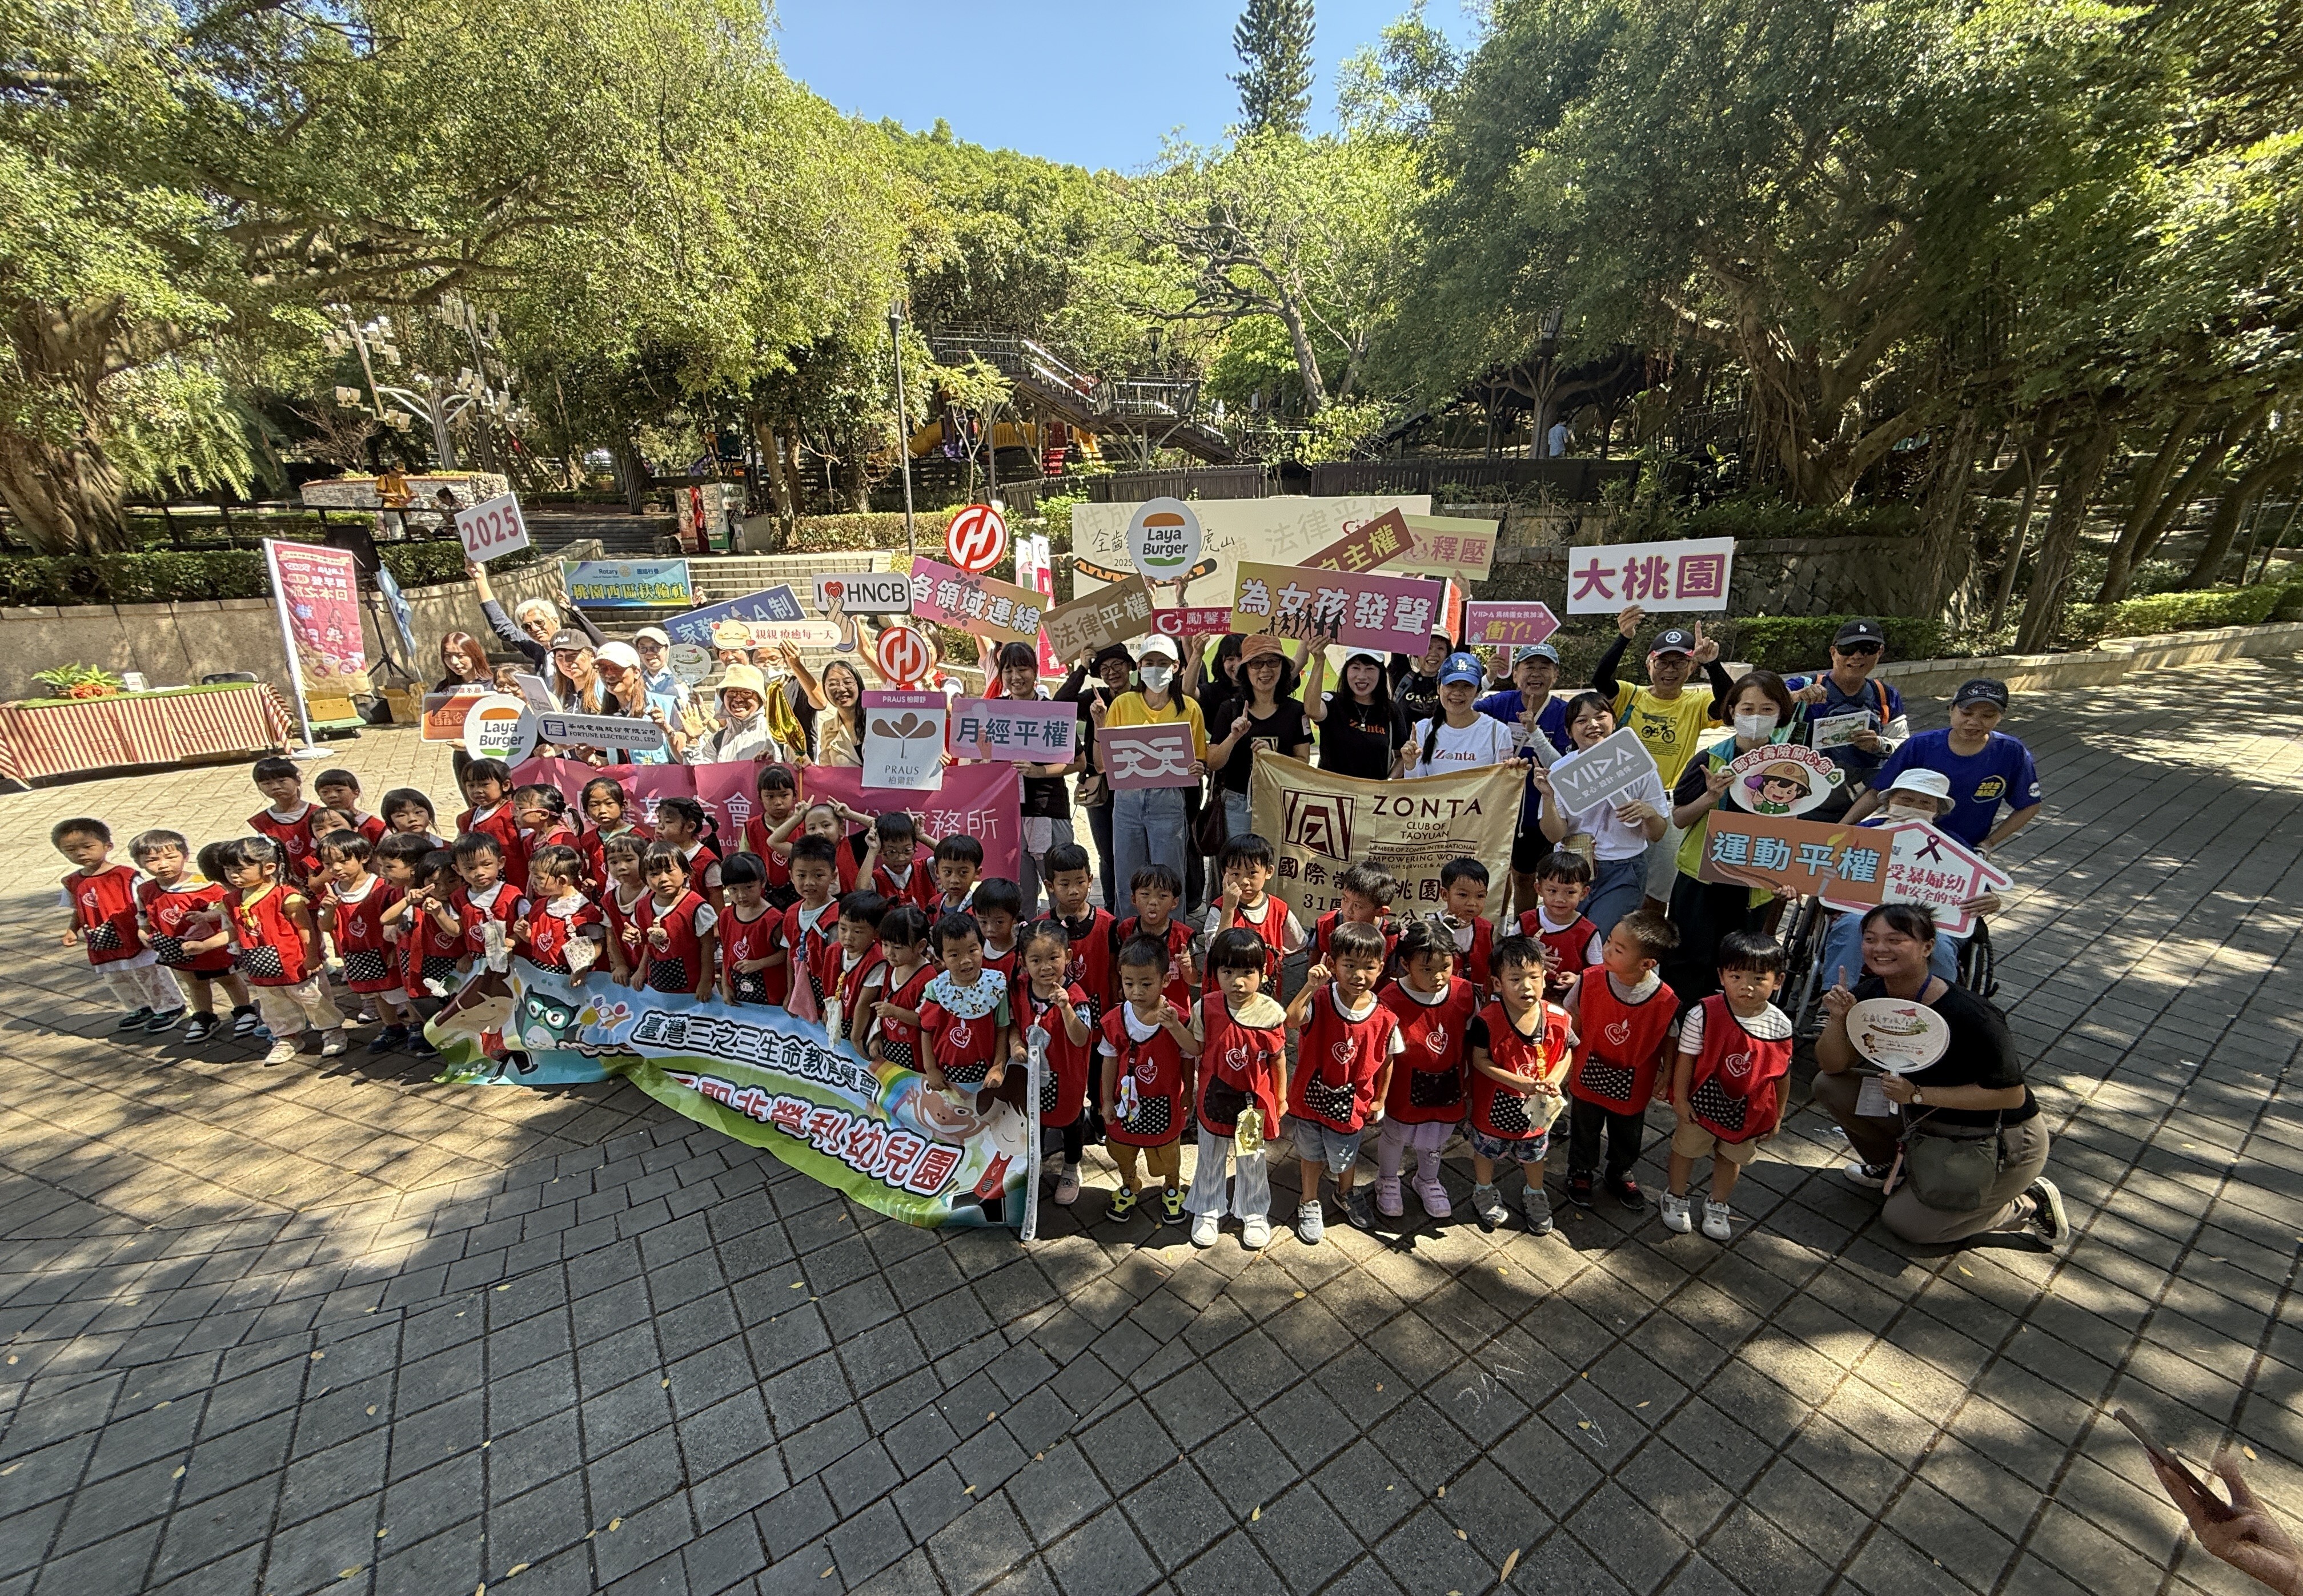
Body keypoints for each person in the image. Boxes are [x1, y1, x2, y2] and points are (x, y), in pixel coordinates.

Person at [1813, 903, 2065, 1247]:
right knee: (1830, 1086)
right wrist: (1838, 1019)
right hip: (1920, 1117)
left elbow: (2012, 1096)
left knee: (1910, 1227)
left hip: (1991, 1135)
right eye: (1870, 939)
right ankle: (1894, 1167)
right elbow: (1832, 1066)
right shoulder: (1869, 997)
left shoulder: (1972, 1014)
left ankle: (2025, 1204)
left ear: (1928, 947)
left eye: (1895, 940)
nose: (1880, 949)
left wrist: (1917, 1094)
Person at [1661, 669, 1803, 1001]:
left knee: (1740, 964)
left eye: (1767, 710)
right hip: (1701, 881)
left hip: (1754, 884)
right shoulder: (1710, 759)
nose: (1756, 717)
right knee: (1688, 961)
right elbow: (1679, 819)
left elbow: (1793, 829)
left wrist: (1789, 876)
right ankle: (1681, 1023)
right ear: (1732, 711)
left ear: (1781, 713)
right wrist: (1710, 797)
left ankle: (1728, 1025)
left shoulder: (1792, 767)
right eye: (1747, 709)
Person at [1591, 608, 1732, 910]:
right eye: (1663, 662)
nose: (1670, 670)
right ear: (1649, 664)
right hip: (1622, 800)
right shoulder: (1630, 694)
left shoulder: (1696, 702)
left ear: (1692, 667)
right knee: (1614, 879)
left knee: (1658, 891)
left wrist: (1713, 664)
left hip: (1667, 803)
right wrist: (1623, 637)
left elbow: (1728, 705)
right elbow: (1601, 680)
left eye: (1679, 662)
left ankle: (1649, 938)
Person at [1662, 930, 1793, 1240]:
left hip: (1748, 1110)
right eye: (1736, 976)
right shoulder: (1703, 1013)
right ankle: (1675, 1195)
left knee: (1733, 1157)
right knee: (1686, 1149)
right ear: (1721, 976)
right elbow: (1686, 1059)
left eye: (1759, 979)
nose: (1747, 986)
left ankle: (1718, 1203)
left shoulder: (1780, 1024)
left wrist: (1777, 1116)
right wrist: (1680, 1099)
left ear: (1778, 981)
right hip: (1701, 1103)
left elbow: (1782, 1074)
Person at [1282, 920, 1401, 1241]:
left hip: (1353, 1105)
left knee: (1345, 1154)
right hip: (1310, 1100)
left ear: (1381, 968)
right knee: (1310, 1153)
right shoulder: (1320, 999)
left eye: (1369, 967)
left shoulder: (1385, 1017)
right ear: (1333, 965)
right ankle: (1309, 1199)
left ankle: (1345, 1192)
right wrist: (1310, 987)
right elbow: (1292, 1019)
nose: (1359, 975)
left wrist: (1380, 1099)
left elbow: (1388, 1059)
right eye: (1350, 965)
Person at [1815, 770, 1977, 988]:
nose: (1914, 808)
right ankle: (1835, 995)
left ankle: (1937, 1003)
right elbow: (1824, 868)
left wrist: (1989, 900)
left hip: (1929, 920)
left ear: (1937, 810)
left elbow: (1978, 887)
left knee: (1941, 946)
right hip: (1865, 912)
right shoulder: (1864, 832)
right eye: (1906, 800)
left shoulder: (1953, 844)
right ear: (1889, 801)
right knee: (1852, 927)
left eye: (1925, 803)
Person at [1562, 911, 1679, 1211]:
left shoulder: (1664, 999)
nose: (1607, 951)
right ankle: (1581, 1170)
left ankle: (1619, 1170)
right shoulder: (1590, 979)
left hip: (1635, 1080)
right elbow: (1573, 1018)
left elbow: (1670, 1036)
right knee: (1585, 1123)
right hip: (1588, 1069)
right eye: (1609, 942)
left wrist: (1667, 1074)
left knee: (1628, 1128)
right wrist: (1565, 1060)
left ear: (1646, 964)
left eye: (1618, 949)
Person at [1847, 678, 2043, 853]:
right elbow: (1877, 792)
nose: (1974, 722)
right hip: (1901, 844)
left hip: (1962, 852)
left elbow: (2029, 805)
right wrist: (1841, 828)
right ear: (1951, 709)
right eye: (1966, 713)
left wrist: (1988, 843)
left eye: (1988, 716)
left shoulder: (2011, 752)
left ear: (2001, 716)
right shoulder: (1920, 745)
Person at [1532, 693, 1671, 936]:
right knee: (1566, 937)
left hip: (1624, 869)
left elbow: (1657, 834)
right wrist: (1548, 797)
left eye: (1600, 717)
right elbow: (1554, 835)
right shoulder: (1561, 771)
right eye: (1582, 720)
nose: (1593, 725)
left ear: (1614, 722)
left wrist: (1649, 814)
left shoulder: (1639, 764)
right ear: (1569, 732)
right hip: (1572, 869)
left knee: (1599, 937)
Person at [1186, 927, 1289, 1249]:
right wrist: (1174, 1026)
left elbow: (1278, 1059)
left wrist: (1281, 1099)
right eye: (1228, 972)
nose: (1238, 982)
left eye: (1247, 972)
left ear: (1263, 972)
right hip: (1213, 1096)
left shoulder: (1271, 1013)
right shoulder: (1206, 1007)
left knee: (1252, 1157)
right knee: (1210, 1155)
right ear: (1215, 972)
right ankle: (1207, 1208)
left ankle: (1254, 1211)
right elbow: (1196, 1048)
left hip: (1250, 1104)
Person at [1463, 935, 1574, 1233]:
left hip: (1538, 1111)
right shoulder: (1487, 1021)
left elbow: (1567, 1052)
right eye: (1515, 979)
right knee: (1486, 1150)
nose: (1527, 986)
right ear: (1497, 984)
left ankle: (1535, 1192)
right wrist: (1518, 1083)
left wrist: (1554, 1080)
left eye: (1534, 977)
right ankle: (1483, 1189)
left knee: (1535, 1153)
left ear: (1544, 977)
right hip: (1493, 1109)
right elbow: (1479, 1060)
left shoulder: (1559, 1018)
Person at [1374, 916, 1478, 1221]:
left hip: (1448, 1082)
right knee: (1395, 1135)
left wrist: (1471, 1081)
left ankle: (1428, 1179)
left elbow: (1474, 1038)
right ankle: (1387, 1180)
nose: (1438, 977)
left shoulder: (1464, 993)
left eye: (1446, 967)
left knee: (1437, 1135)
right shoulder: (1390, 999)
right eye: (1427, 970)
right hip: (1403, 1085)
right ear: (1406, 964)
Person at [1098, 634, 1207, 910]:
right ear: (1139, 666)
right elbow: (1105, 761)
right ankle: (1129, 931)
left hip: (1169, 800)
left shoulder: (1190, 708)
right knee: (1127, 877)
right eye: (1149, 663)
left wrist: (1198, 768)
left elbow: (1199, 758)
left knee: (1170, 877)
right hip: (1127, 800)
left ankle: (1174, 934)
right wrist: (1099, 724)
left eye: (1163, 663)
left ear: (1176, 667)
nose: (1156, 669)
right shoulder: (1122, 704)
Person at [1099, 932, 1201, 1223]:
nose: (1137, 992)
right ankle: (1130, 1183)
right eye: (1129, 983)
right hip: (1124, 1103)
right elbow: (1109, 1061)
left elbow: (1189, 1055)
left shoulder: (1177, 1018)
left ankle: (1172, 1186)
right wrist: (1106, 1101)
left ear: (1165, 980)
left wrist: (1188, 1092)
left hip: (1164, 1101)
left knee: (1167, 1150)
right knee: (1122, 1147)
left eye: (1146, 984)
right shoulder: (1115, 1020)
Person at [221, 835, 347, 1063]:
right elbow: (235, 930)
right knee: (273, 1003)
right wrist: (203, 944)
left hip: (294, 962)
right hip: (260, 964)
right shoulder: (233, 900)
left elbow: (305, 928)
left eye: (240, 870)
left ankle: (332, 1030)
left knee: (313, 998)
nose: (233, 876)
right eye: (228, 870)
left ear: (269, 868)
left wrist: (312, 957)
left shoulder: (286, 896)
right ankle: (287, 1037)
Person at [54, 817, 185, 1034]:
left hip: (133, 934)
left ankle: (171, 1006)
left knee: (148, 971)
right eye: (70, 850)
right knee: (117, 975)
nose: (80, 854)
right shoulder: (72, 882)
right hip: (101, 939)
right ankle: (140, 1007)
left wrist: (150, 929)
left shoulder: (125, 876)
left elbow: (145, 904)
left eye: (88, 847)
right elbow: (79, 908)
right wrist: (72, 930)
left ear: (107, 846)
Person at [985, 641, 1083, 915]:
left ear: (1036, 671)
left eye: (1022, 669)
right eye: (1008, 670)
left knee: (1059, 886)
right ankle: (1025, 937)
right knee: (1019, 892)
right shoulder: (993, 711)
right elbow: (976, 754)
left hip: (1047, 811)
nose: (1015, 677)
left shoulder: (1053, 712)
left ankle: (1066, 936)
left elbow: (1079, 761)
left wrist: (1040, 771)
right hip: (1008, 814)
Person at [130, 828, 251, 1043]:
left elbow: (227, 909)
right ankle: (205, 1016)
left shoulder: (206, 885)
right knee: (194, 982)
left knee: (228, 979)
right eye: (152, 860)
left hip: (212, 946)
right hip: (175, 948)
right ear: (139, 863)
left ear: (185, 856)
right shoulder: (146, 890)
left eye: (171, 857)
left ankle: (244, 1011)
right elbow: (144, 913)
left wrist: (208, 917)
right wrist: (143, 930)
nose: (163, 865)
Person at [1784, 618, 1906, 818]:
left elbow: (1902, 744)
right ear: (1833, 652)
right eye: (1848, 649)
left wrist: (1879, 744)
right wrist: (1795, 697)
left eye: (1868, 649)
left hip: (1863, 806)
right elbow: (1762, 701)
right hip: (1801, 797)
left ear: (1880, 652)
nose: (1857, 656)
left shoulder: (1885, 694)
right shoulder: (1806, 685)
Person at [1016, 918, 1097, 1208]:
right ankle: (1034, 1163)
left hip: (1068, 1078)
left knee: (1070, 1122)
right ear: (1023, 962)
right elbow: (1011, 1023)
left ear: (1068, 956)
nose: (1046, 967)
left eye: (1053, 958)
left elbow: (1081, 1038)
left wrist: (1066, 1009)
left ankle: (1071, 1168)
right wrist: (1015, 1044)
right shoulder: (1021, 989)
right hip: (1031, 1076)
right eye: (1036, 960)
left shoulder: (1076, 998)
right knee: (1034, 1122)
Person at [1206, 635, 1311, 842]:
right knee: (1238, 861)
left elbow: (1303, 762)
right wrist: (1233, 738)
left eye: (1273, 662)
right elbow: (1213, 762)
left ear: (1282, 667)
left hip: (1281, 802)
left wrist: (1274, 759)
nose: (1265, 670)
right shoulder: (1230, 709)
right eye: (1256, 663)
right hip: (1237, 804)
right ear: (1246, 670)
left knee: (1276, 861)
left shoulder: (1296, 711)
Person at [1055, 643, 1136, 911]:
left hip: (1135, 785)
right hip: (1101, 788)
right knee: (1107, 854)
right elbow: (1060, 706)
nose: (1112, 672)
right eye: (1105, 668)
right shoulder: (1094, 697)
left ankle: (1136, 907)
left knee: (1135, 853)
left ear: (1129, 666)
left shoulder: (1142, 697)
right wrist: (1081, 669)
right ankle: (1112, 910)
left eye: (1117, 665)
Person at [466, 560, 604, 690]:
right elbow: (503, 627)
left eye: (539, 622)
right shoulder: (538, 650)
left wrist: (576, 613)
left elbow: (606, 646)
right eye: (527, 627)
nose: (535, 629)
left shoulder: (578, 645)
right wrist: (481, 580)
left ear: (555, 621)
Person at [1201, 833, 1307, 986]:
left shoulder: (1279, 909)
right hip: (1224, 992)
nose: (1244, 881)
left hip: (1265, 991)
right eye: (1235, 874)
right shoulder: (1220, 908)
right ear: (1224, 873)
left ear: (1268, 872)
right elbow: (1217, 949)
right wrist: (1229, 909)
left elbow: (1298, 944)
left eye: (1252, 873)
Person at [1396, 652, 1518, 778]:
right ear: (1438, 688)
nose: (1458, 692)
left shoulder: (1498, 732)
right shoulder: (1422, 730)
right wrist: (1411, 765)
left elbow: (1503, 783)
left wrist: (1514, 774)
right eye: (1451, 685)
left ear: (1477, 691)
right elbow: (1416, 786)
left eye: (1467, 686)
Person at [1303, 648, 1406, 781]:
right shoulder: (1332, 702)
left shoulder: (1391, 710)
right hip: (1331, 790)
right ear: (1346, 671)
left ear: (1381, 674)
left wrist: (1388, 783)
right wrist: (1319, 661)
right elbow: (1312, 710)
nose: (1362, 676)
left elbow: (1401, 756)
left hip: (1373, 792)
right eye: (1356, 668)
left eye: (1370, 669)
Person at [634, 842, 716, 1000]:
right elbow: (649, 944)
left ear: (685, 872)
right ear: (645, 878)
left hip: (693, 988)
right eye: (654, 874)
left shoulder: (697, 907)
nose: (663, 879)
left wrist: (706, 982)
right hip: (658, 984)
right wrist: (642, 969)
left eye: (669, 871)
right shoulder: (642, 906)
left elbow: (708, 946)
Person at [685, 663, 792, 765]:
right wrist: (693, 742)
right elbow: (700, 774)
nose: (738, 699)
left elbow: (798, 769)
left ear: (760, 699)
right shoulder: (717, 740)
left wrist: (774, 767)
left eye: (746, 693)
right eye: (732, 692)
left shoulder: (779, 734)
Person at [1389, 632, 1453, 741]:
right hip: (1403, 751)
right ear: (1416, 653)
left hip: (1440, 750)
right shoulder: (1403, 678)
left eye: (1440, 648)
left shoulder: (1451, 683)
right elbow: (1398, 635)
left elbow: (1464, 648)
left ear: (1447, 655)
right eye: (1428, 647)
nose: (1434, 653)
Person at [814, 658, 869, 768]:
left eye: (848, 682)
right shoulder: (828, 728)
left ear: (858, 684)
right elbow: (826, 770)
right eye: (833, 684)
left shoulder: (877, 720)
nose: (841, 689)